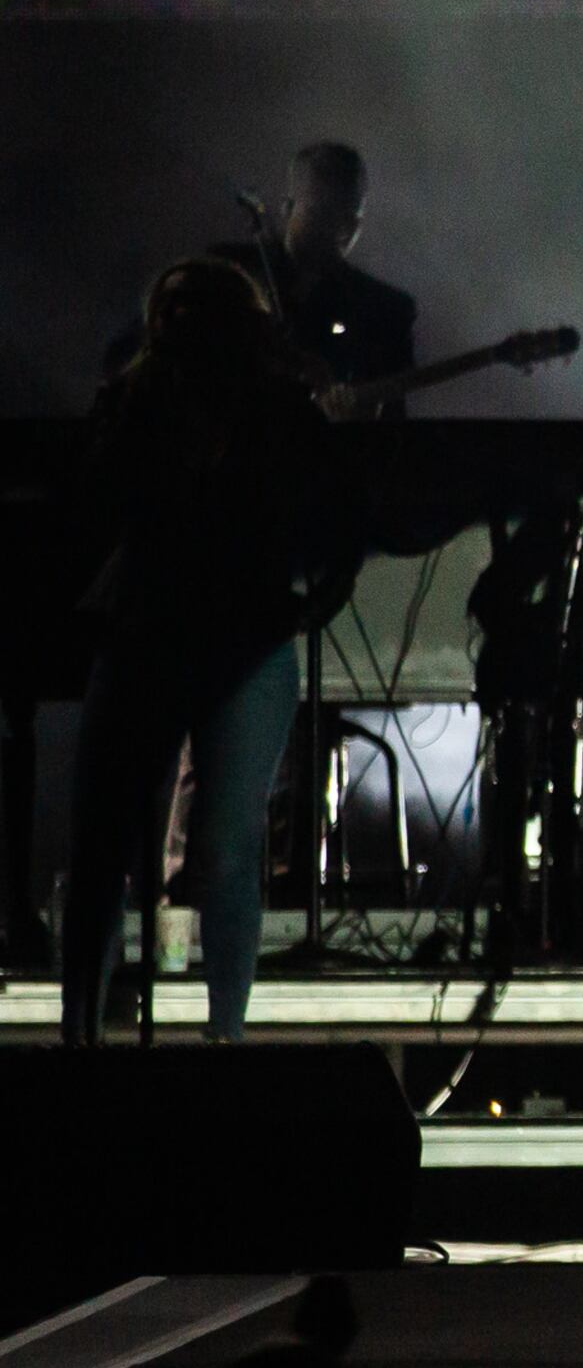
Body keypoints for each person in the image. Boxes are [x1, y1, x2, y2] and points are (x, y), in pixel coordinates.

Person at [60, 259, 333, 1044]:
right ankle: (86, 1032)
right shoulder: (136, 401)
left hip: (236, 639)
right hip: (158, 632)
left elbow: (338, 504)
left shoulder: (278, 410)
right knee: (111, 841)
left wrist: (314, 593)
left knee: (220, 843)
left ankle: (221, 1035)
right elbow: (93, 498)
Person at [214, 142, 420, 403]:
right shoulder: (226, 275)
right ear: (288, 208)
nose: (341, 229)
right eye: (322, 211)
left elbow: (390, 422)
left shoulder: (386, 311)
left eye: (351, 219)